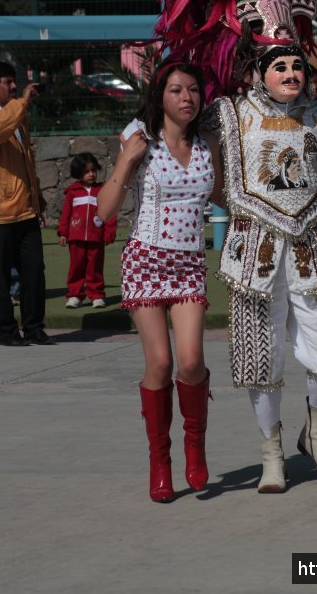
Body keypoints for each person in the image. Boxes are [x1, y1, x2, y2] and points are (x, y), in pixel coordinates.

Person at [147, 0, 317, 493]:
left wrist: (311, 215)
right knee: (257, 355)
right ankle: (271, 451)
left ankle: (316, 431)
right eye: (280, 66)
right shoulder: (227, 112)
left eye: (296, 64)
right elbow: (179, 119)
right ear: (258, 71)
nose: (291, 73)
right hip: (252, 250)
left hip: (310, 246)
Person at [97, 59, 221, 503]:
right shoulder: (140, 141)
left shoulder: (208, 142)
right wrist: (126, 161)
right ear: (160, 97)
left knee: (190, 362)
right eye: (175, 90)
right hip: (145, 260)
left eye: (193, 89)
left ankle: (195, 445)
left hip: (188, 262)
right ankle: (159, 459)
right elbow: (104, 211)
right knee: (161, 365)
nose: (186, 97)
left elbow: (225, 195)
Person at [0, 61, 55, 345]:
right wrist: (21, 102)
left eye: (14, 81)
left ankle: (34, 327)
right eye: (6, 82)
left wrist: (36, 194)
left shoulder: (16, 113)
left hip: (25, 208)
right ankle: (6, 331)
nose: (13, 86)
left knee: (34, 270)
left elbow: (25, 160)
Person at [57, 152, 117, 308]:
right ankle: (75, 295)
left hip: (96, 237)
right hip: (75, 238)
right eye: (86, 171)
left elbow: (109, 212)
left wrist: (109, 232)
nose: (91, 174)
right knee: (76, 268)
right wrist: (63, 232)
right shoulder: (72, 192)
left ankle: (96, 295)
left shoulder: (102, 190)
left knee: (95, 268)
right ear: (78, 173)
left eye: (93, 170)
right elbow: (66, 215)